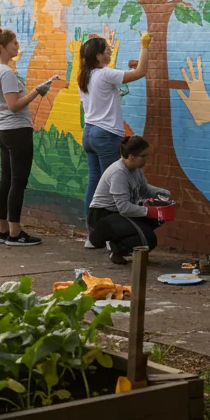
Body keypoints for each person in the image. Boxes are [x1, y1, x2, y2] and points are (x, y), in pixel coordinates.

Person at [77, 31, 151, 246]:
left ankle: (92, 235)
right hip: (106, 135)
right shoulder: (105, 74)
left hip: (90, 133)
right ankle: (109, 236)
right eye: (107, 50)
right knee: (113, 188)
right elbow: (141, 72)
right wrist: (145, 46)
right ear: (98, 56)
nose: (110, 52)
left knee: (95, 184)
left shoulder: (85, 76)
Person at [0, 27, 57, 246]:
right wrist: (37, 91)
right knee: (18, 181)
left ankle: (2, 230)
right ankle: (15, 233)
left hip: (2, 130)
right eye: (14, 43)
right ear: (2, 47)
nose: (17, 46)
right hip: (16, 131)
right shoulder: (6, 72)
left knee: (6, 179)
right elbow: (14, 105)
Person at [88, 136, 169, 265]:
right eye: (143, 156)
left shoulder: (136, 169)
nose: (146, 159)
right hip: (103, 215)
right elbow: (124, 208)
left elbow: (144, 189)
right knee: (148, 238)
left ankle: (122, 243)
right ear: (131, 156)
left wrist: (162, 194)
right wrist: (150, 211)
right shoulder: (118, 173)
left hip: (119, 214)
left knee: (159, 217)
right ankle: (117, 248)